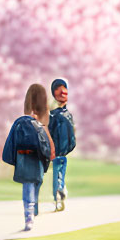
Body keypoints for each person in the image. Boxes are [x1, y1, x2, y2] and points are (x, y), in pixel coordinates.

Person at [0, 84, 55, 232]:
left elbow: (11, 143)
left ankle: (29, 213)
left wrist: (13, 160)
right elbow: (45, 148)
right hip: (36, 161)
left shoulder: (20, 123)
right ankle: (31, 213)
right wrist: (46, 161)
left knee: (28, 186)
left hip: (23, 159)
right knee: (34, 183)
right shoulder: (40, 124)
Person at [47, 78, 76, 211]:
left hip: (55, 152)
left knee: (56, 175)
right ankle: (61, 189)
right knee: (61, 173)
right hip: (64, 152)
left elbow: (48, 133)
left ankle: (57, 195)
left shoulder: (52, 115)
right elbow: (72, 136)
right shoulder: (68, 115)